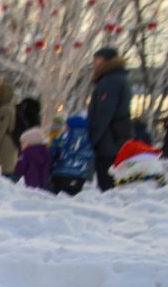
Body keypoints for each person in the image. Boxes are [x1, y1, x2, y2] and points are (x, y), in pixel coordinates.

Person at [86, 46, 132, 192]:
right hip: (117, 137)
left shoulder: (110, 81)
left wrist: (92, 138)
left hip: (108, 140)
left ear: (106, 61)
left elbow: (104, 114)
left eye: (97, 59)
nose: (94, 63)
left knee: (106, 182)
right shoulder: (120, 78)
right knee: (113, 180)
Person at [49, 114, 93, 196]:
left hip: (60, 175)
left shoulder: (63, 137)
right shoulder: (88, 141)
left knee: (57, 197)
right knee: (73, 197)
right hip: (79, 177)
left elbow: (52, 153)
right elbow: (90, 159)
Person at [0, 80, 18, 177]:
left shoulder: (4, 110)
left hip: (5, 147)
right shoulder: (11, 107)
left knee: (4, 173)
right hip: (10, 144)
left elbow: (0, 131)